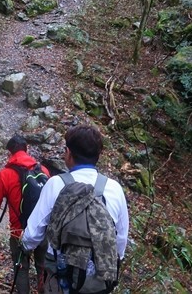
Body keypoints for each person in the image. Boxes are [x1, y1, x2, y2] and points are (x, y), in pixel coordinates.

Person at [20, 125, 129, 294]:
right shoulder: (114, 188)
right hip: (97, 282)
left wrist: (25, 246)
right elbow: (120, 240)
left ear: (69, 153)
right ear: (98, 155)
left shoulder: (56, 184)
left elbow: (33, 234)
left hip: (61, 276)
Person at [0, 134, 51, 294]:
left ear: (9, 153)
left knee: (21, 270)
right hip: (43, 230)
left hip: (19, 232)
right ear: (27, 149)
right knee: (43, 267)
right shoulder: (44, 171)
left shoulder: (5, 175)